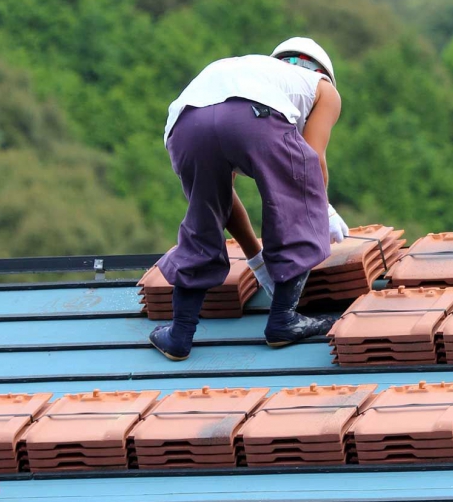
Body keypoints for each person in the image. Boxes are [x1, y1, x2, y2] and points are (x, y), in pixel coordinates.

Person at [149, 37, 351, 361]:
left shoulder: (250, 69)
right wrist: (322, 208)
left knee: (204, 215)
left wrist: (258, 261)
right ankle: (283, 319)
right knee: (298, 204)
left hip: (186, 125)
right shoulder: (324, 88)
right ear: (321, 70)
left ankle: (179, 334)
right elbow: (311, 160)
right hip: (253, 115)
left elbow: (222, 202)